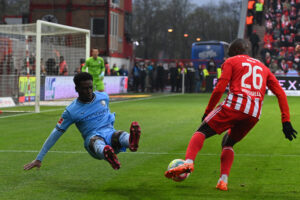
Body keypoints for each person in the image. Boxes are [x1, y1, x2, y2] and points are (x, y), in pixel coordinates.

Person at [165, 39, 297, 191]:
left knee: (201, 131)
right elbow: (280, 93)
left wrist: (208, 112)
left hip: (236, 105)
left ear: (233, 52)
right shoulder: (263, 67)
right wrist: (286, 121)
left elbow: (220, 88)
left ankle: (188, 162)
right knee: (228, 143)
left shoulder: (231, 61)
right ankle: (223, 181)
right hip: (254, 113)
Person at [24, 72, 141, 171]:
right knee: (96, 142)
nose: (89, 91)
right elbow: (55, 134)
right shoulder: (71, 111)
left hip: (110, 133)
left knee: (120, 134)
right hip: (93, 139)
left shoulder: (104, 97)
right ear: (77, 89)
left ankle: (131, 141)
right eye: (85, 88)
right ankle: (107, 153)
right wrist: (39, 158)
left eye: (90, 87)